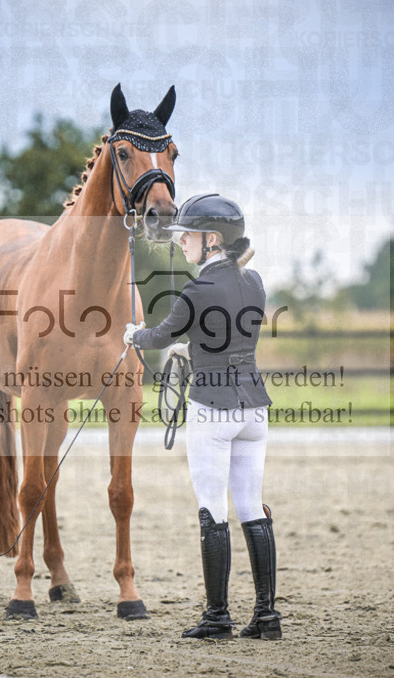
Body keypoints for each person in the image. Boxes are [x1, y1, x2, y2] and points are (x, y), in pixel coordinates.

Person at [123, 194, 281, 640]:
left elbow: (158, 335)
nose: (181, 242)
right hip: (253, 408)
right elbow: (224, 336)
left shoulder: (195, 289)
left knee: (213, 511)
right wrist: (190, 349)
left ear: (211, 240)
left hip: (212, 409)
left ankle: (217, 617)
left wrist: (134, 334)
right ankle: (267, 616)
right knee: (251, 507)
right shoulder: (255, 283)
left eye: (188, 235)